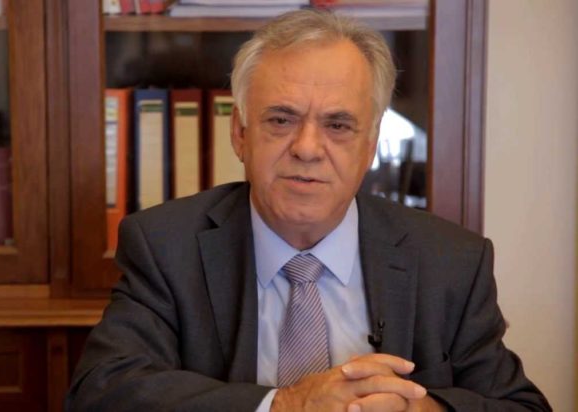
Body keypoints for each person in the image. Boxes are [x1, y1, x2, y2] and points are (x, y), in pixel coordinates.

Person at [66, 9, 551, 412]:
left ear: (370, 145)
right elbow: (101, 393)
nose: (307, 148)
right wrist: (285, 405)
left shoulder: (450, 262)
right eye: (281, 119)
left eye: (338, 125)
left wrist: (423, 410)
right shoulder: (165, 246)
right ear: (240, 134)